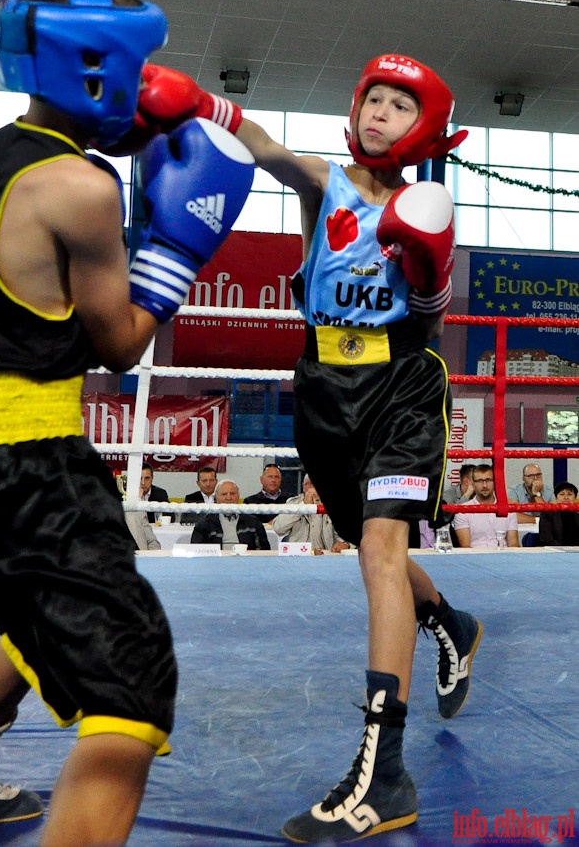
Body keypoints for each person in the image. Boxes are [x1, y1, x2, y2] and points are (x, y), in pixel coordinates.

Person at [0, 0, 254, 847]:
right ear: (99, 70)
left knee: (39, 618)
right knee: (128, 686)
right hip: (31, 454)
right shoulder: (83, 191)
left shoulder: (0, 151)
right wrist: (177, 248)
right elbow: (120, 342)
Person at [107, 53, 485, 840]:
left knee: (380, 549)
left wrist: (428, 275)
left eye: (397, 106)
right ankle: (448, 621)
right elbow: (267, 149)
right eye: (371, 99)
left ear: (427, 131)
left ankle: (383, 772)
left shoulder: (429, 206)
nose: (378, 114)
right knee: (365, 546)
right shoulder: (325, 182)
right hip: (321, 387)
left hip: (401, 390)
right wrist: (201, 105)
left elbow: (431, 318)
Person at [272, 474, 349, 553]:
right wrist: (303, 505)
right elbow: (278, 528)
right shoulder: (293, 503)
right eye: (308, 484)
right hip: (299, 555)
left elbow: (350, 532)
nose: (312, 487)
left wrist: (345, 543)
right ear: (303, 487)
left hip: (327, 555)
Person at [191, 479, 270, 550]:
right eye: (224, 494)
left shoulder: (253, 522)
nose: (228, 497)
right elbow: (197, 550)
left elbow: (264, 550)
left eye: (232, 493)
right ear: (216, 498)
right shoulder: (205, 523)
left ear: (238, 496)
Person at [453, 464, 519, 548]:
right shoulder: (463, 511)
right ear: (473, 483)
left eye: (488, 480)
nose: (484, 485)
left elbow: (514, 544)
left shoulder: (508, 509)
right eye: (480, 481)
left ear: (495, 482)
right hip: (475, 557)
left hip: (503, 557)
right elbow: (465, 547)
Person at [538, 481, 579, 547]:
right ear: (556, 498)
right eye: (562, 494)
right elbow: (547, 540)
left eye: (569, 494)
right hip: (555, 552)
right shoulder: (548, 515)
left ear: (575, 498)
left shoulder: (577, 516)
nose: (566, 497)